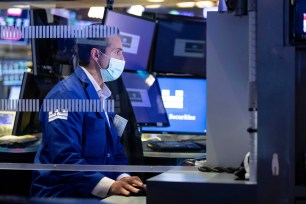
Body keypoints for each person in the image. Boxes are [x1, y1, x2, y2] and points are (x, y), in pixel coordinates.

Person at [31, 27, 144, 198]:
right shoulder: (65, 96)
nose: (123, 59)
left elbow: (115, 151)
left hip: (92, 195)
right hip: (62, 197)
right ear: (96, 55)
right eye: (118, 52)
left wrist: (123, 178)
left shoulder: (102, 95)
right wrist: (111, 186)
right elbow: (66, 159)